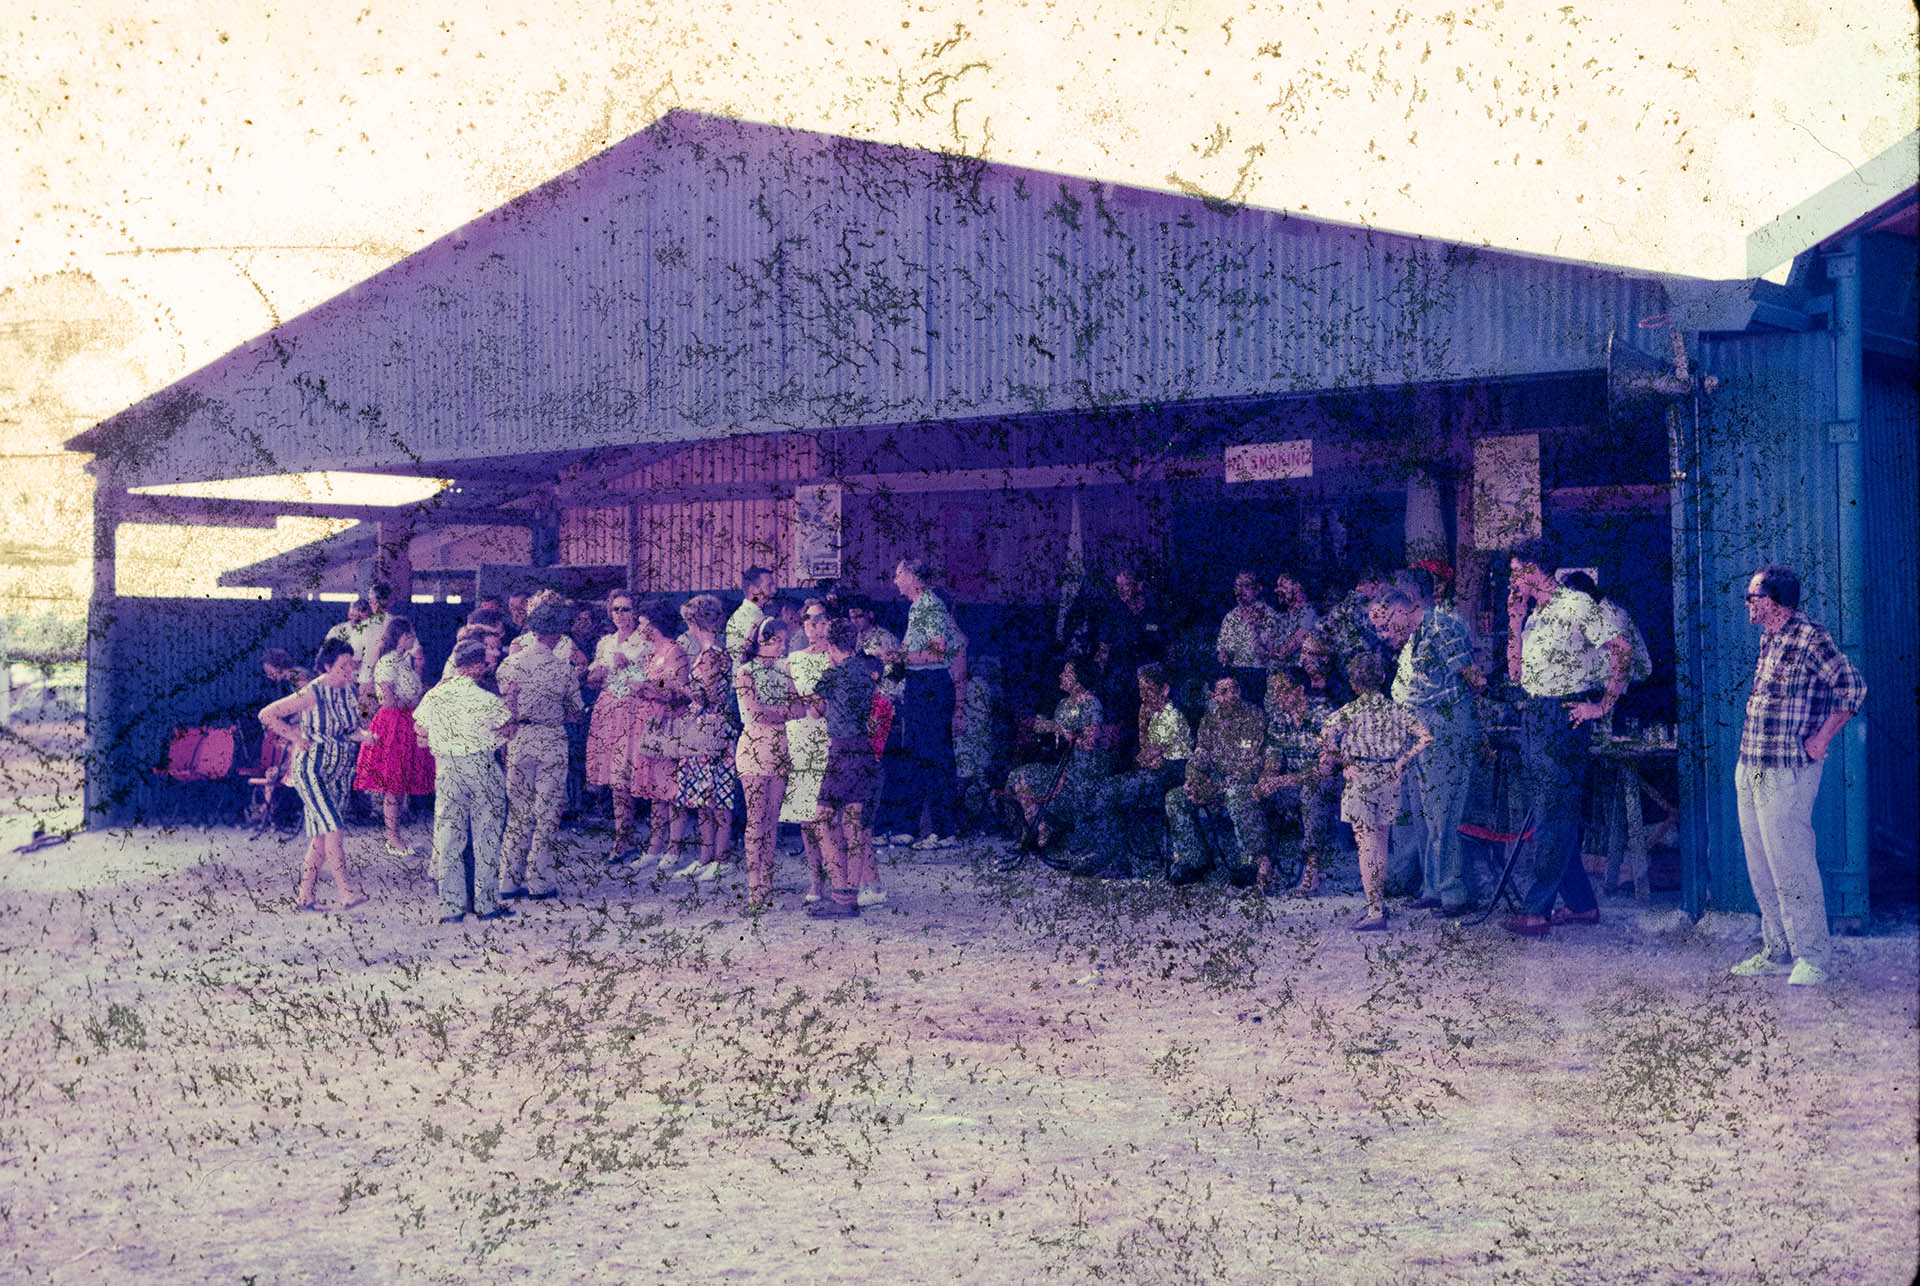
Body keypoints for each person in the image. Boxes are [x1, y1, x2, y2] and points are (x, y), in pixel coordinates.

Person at [1728, 565, 1866, 986]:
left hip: (1787, 770)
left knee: (1792, 864)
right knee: (1761, 866)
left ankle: (1813, 957)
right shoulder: (1770, 637)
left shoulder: (1810, 638)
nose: (1747, 604)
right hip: (1752, 764)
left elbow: (1853, 688)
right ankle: (1776, 948)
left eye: (1752, 596)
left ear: (1773, 601)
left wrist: (1822, 738)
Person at [1502, 540, 1632, 937]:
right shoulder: (1534, 615)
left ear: (1534, 570)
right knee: (1551, 810)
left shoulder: (1575, 604)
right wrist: (1514, 622)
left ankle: (1537, 907)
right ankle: (1581, 904)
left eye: (1515, 570)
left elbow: (1621, 648)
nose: (1511, 579)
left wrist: (1603, 705)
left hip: (1565, 714)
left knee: (1552, 812)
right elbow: (1515, 674)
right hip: (1537, 713)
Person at [1371, 581, 1486, 918]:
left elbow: (1472, 677)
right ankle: (1432, 887)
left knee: (1444, 811)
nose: (1383, 632)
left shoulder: (1441, 625)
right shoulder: (1413, 638)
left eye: (1385, 623)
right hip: (1420, 728)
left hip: (1444, 726)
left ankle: (1454, 892)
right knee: (1423, 814)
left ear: (1404, 608)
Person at [1320, 652, 1432, 931]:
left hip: (1360, 779)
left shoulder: (1350, 711)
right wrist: (1402, 761)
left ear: (1353, 682)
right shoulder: (1396, 711)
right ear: (1382, 678)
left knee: (1366, 848)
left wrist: (1344, 760)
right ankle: (1377, 903)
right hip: (1388, 778)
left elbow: (1324, 736)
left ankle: (1375, 910)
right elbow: (1425, 737)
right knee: (1380, 843)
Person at [258, 637, 369, 912]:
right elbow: (267, 714)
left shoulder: (350, 692)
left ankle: (304, 898)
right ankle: (346, 892)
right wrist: (294, 736)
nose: (348, 670)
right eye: (343, 665)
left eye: (351, 665)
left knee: (321, 837)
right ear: (327, 667)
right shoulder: (311, 692)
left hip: (340, 770)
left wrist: (369, 736)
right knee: (333, 828)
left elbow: (351, 730)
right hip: (312, 769)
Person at [412, 639, 515, 924]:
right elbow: (509, 728)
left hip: (447, 767)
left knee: (448, 837)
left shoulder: (435, 695)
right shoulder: (486, 699)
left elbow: (419, 728)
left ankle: (452, 907)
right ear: (477, 665)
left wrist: (439, 737)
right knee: (487, 837)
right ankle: (485, 904)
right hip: (482, 764)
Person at [1067, 662, 1192, 880]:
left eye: (1149, 690)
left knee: (1109, 793)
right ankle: (1110, 856)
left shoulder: (1171, 716)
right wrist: (1144, 731)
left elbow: (1147, 755)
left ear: (1164, 689)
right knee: (1105, 790)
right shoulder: (1153, 714)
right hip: (1153, 772)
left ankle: (1111, 858)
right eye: (1141, 690)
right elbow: (1145, 755)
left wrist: (1147, 750)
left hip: (1172, 775)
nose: (1143, 696)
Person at [495, 602, 583, 902]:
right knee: (546, 811)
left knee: (518, 809)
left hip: (519, 737)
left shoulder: (509, 665)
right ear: (558, 634)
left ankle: (508, 878)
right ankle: (538, 879)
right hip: (551, 736)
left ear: (531, 630)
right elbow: (574, 711)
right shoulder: (563, 669)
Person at [1253, 634, 1346, 897]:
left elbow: (1324, 770)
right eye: (1274, 690)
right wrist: (1267, 780)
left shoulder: (1324, 714)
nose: (1276, 696)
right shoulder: (1280, 719)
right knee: (1253, 793)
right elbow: (1273, 757)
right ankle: (1265, 869)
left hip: (1329, 784)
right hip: (1293, 781)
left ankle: (1312, 870)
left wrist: (1281, 781)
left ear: (1299, 691)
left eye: (1282, 689)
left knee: (1312, 791)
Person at [805, 618, 884, 918]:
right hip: (863, 750)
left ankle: (840, 893)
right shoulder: (866, 673)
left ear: (829, 643)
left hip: (840, 750)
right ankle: (849, 896)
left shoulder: (832, 674)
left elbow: (814, 710)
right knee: (853, 825)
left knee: (821, 820)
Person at [885, 559, 963, 847]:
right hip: (918, 687)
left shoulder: (930, 606)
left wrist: (897, 656)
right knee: (916, 757)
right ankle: (912, 827)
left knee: (935, 758)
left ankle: (944, 830)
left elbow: (936, 653)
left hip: (932, 687)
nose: (895, 580)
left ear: (915, 577)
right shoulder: (916, 608)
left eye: (899, 574)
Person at [1165, 675, 1271, 887]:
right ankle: (1195, 861)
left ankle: (1250, 864)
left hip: (1244, 785)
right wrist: (1194, 779)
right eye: (1223, 692)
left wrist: (1218, 787)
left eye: (1235, 689)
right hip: (1215, 784)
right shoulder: (1210, 720)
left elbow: (1253, 767)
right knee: (1175, 798)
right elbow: (1201, 754)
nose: (1231, 695)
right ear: (1214, 696)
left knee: (1235, 795)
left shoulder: (1255, 717)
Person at [733, 616, 807, 911]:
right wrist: (782, 710)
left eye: (784, 641)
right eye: (777, 640)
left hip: (780, 744)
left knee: (772, 817)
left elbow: (799, 707)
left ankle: (768, 877)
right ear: (762, 641)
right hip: (754, 743)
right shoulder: (745, 672)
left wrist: (777, 710)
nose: (783, 646)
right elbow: (755, 712)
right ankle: (754, 883)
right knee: (756, 816)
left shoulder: (784, 669)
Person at [1005, 658, 1110, 855]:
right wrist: (1053, 727)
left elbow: (1089, 743)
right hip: (1063, 766)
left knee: (1078, 794)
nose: (1061, 676)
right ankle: (1039, 829)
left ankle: (1051, 837)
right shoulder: (1063, 704)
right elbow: (1043, 726)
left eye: (1067, 673)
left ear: (1079, 681)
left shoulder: (1091, 705)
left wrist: (1067, 733)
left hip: (1085, 771)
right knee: (1019, 777)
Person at [353, 615, 437, 857]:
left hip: (405, 722)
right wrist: (413, 702)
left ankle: (396, 835)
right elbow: (389, 699)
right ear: (402, 636)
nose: (413, 639)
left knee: (399, 783)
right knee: (394, 783)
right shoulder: (388, 662)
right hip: (394, 724)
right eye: (409, 634)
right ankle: (392, 838)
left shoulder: (403, 661)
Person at [626, 597, 691, 871]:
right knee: (654, 788)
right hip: (649, 721)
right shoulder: (651, 653)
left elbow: (679, 689)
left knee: (672, 788)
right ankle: (654, 846)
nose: (639, 627)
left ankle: (674, 847)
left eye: (642, 622)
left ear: (654, 624)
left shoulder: (675, 651)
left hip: (669, 722)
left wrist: (649, 687)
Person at [585, 590, 650, 860]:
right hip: (608, 710)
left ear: (635, 611)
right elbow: (593, 679)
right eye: (616, 610)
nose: (620, 615)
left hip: (632, 710)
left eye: (625, 609)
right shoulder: (605, 642)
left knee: (627, 775)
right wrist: (594, 674)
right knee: (613, 777)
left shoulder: (644, 641)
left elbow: (650, 679)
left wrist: (628, 666)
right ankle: (623, 836)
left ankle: (629, 837)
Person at [673, 639, 740, 884]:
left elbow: (711, 695)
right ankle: (705, 856)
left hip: (715, 733)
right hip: (699, 735)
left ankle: (721, 859)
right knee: (702, 800)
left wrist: (690, 690)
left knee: (719, 800)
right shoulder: (703, 652)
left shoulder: (716, 654)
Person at [782, 600, 835, 901]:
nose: (814, 625)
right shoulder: (794, 659)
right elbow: (790, 702)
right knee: (805, 813)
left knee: (830, 812)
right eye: (808, 619)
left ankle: (840, 876)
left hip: (830, 734)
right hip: (802, 734)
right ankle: (816, 880)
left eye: (820, 619)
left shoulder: (837, 657)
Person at [1216, 570, 1282, 706]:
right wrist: (1224, 655)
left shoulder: (1270, 616)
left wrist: (1253, 628)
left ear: (1258, 589)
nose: (1240, 591)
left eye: (1246, 586)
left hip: (1260, 676)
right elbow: (1223, 648)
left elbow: (1269, 655)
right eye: (1237, 586)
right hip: (1236, 676)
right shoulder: (1231, 617)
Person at [726, 566, 777, 666]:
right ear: (753, 590)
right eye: (768, 586)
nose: (774, 591)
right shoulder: (744, 618)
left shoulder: (755, 614)